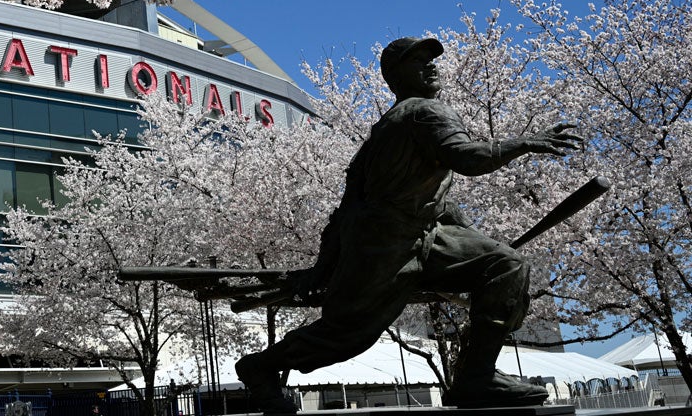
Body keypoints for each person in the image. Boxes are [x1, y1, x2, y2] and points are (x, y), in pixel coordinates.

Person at [235, 37, 581, 412]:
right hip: (386, 245)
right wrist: (525, 142)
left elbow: (425, 201)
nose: (431, 67)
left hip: (419, 237)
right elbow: (465, 158)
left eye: (432, 61)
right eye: (418, 61)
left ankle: (477, 376)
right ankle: (259, 367)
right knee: (347, 334)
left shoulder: (387, 127)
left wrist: (475, 240)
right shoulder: (424, 113)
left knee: (505, 264)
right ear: (395, 75)